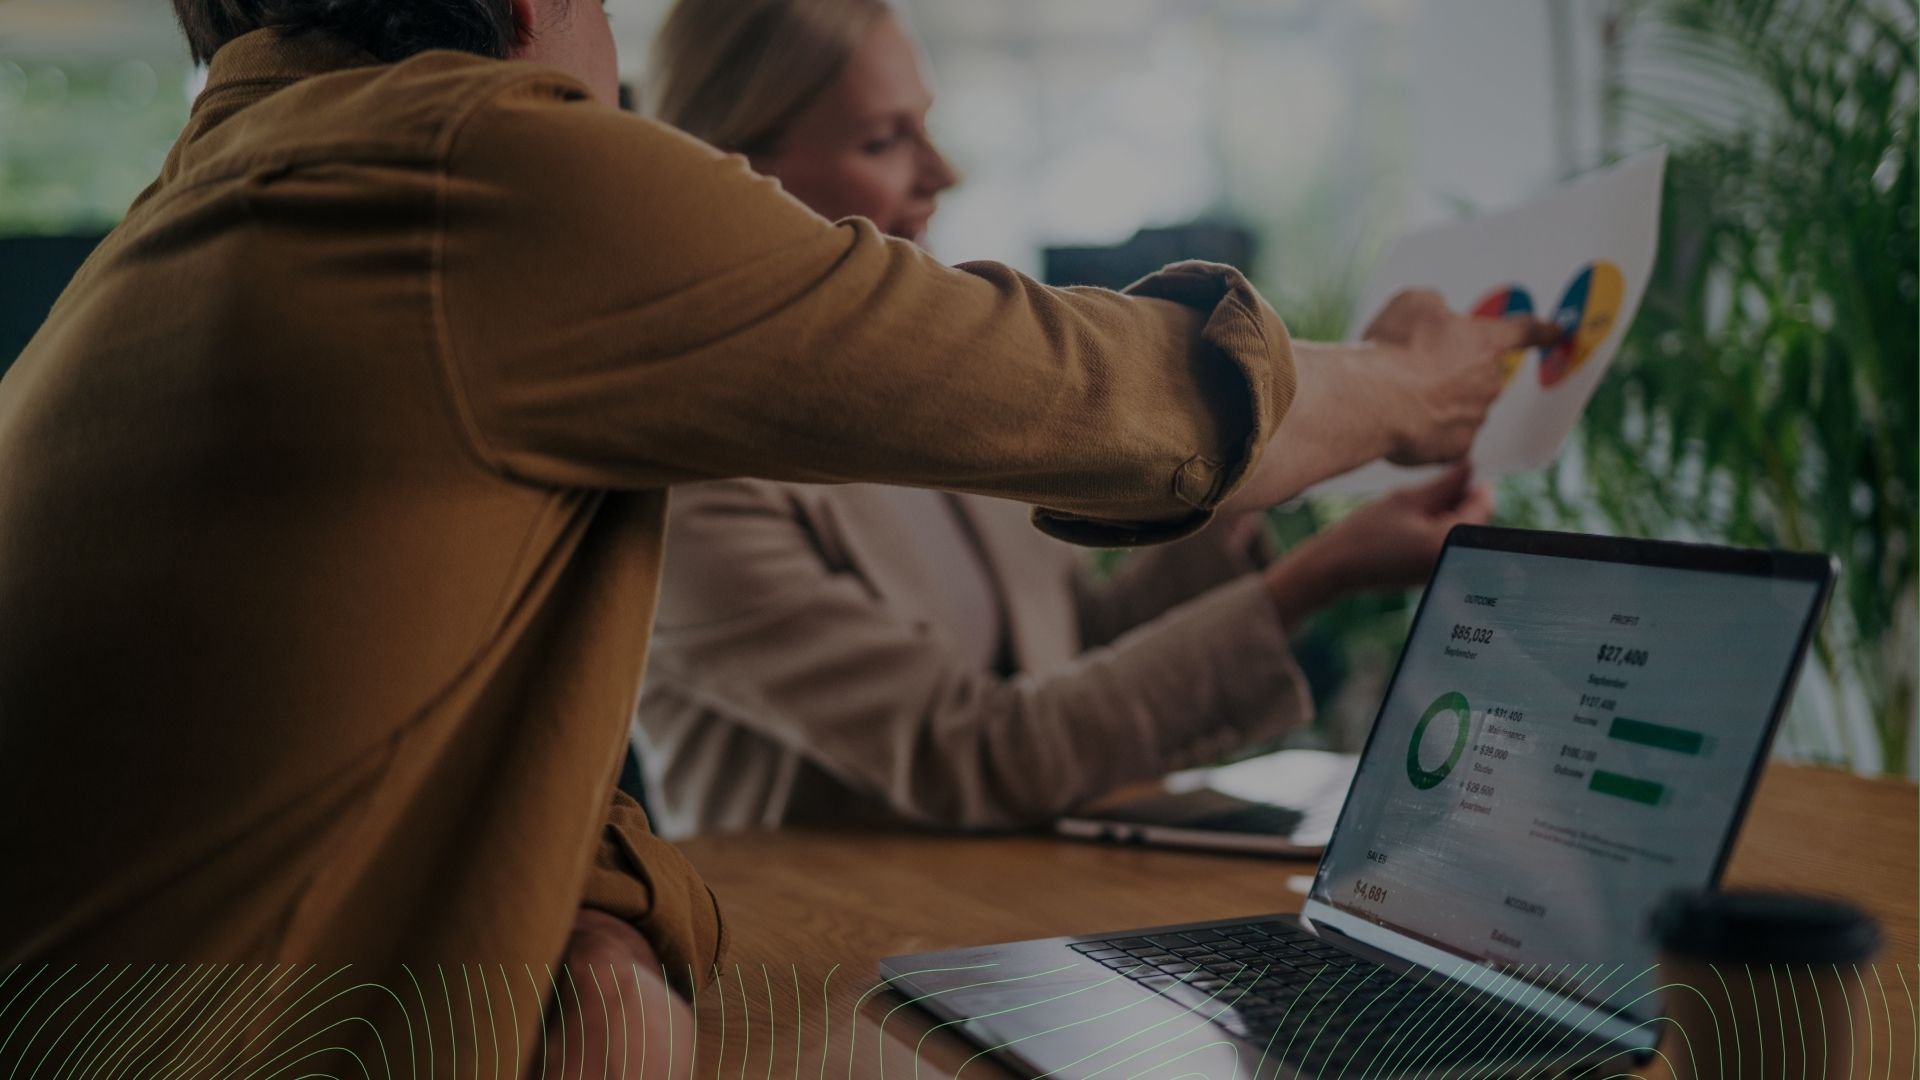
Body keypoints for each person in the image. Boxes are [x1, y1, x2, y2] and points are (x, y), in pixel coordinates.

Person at [0, 0, 1545, 1075]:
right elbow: (1112, 406)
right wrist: (1408, 384)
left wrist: (612, 925)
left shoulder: (189, 232)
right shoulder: (488, 161)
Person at [634, 0, 1498, 836]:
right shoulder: (688, 481)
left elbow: (1074, 650)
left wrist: (1266, 471)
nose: (944, 172)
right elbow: (975, 751)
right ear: (736, 179)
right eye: (884, 138)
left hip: (1002, 923)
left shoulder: (938, 400)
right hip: (810, 964)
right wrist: (1315, 580)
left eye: (926, 124)